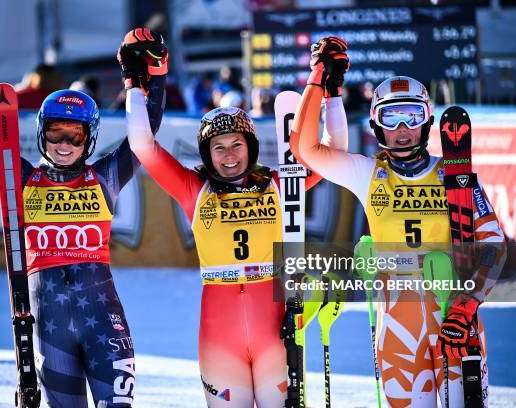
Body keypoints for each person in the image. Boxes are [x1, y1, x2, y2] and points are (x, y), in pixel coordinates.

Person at [0, 29, 167, 407]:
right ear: (42, 134)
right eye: (55, 133)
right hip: (49, 333)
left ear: (90, 139)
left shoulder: (104, 177)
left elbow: (147, 133)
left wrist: (154, 72)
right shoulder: (21, 179)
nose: (64, 144)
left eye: (75, 136)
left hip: (103, 326)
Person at [121, 31, 348, 407]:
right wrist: (133, 83)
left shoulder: (279, 183)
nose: (229, 156)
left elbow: (335, 152)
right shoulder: (194, 189)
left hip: (276, 325)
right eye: (219, 148)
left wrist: (331, 92)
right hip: (219, 333)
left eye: (237, 145)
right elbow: (142, 145)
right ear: (207, 154)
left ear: (252, 147)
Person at [291, 36, 507, 408]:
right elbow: (305, 148)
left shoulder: (454, 175)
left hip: (453, 316)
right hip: (397, 322)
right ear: (377, 124)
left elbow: (493, 243)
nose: (403, 127)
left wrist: (467, 304)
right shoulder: (367, 173)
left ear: (427, 121)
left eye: (412, 115)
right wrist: (321, 81)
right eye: (391, 117)